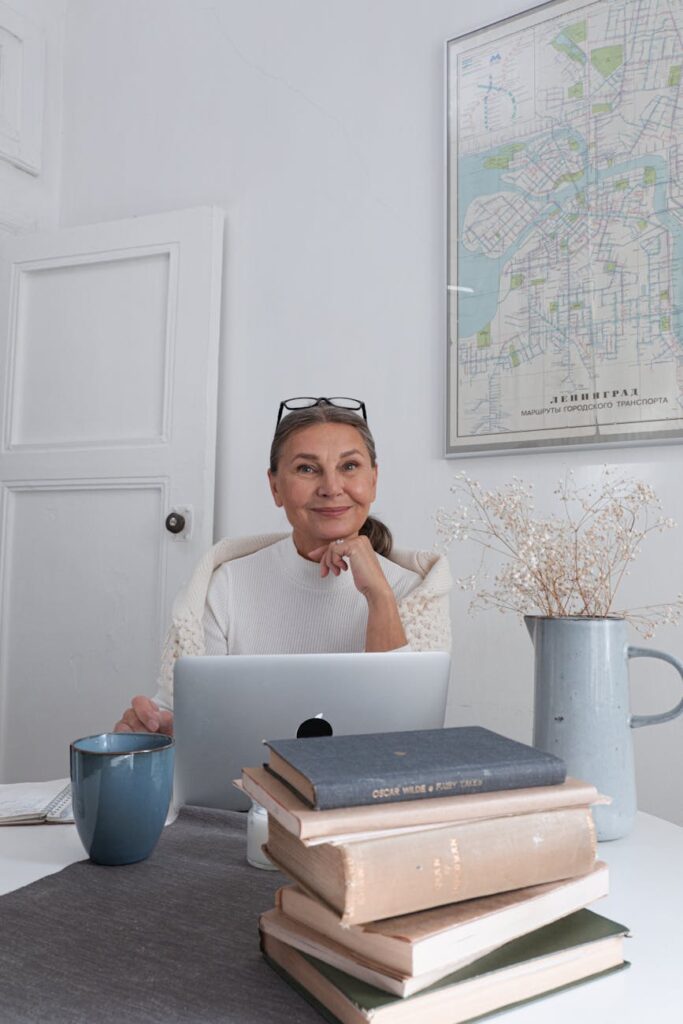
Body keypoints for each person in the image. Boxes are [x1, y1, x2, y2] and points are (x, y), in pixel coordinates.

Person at [114, 397, 452, 734]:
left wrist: (379, 596)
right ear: (275, 486)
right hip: (244, 782)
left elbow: (411, 738)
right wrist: (154, 728)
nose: (331, 488)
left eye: (349, 467)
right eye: (307, 468)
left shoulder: (416, 593)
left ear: (374, 481)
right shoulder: (226, 584)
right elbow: (183, 711)